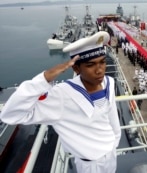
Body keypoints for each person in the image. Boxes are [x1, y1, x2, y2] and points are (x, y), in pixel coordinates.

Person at [0, 31, 121, 173]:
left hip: (111, 154)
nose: (99, 70)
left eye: (102, 62)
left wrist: (114, 142)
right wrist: (44, 78)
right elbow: (10, 115)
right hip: (90, 165)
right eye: (90, 65)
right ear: (76, 68)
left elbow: (112, 117)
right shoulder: (62, 95)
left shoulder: (109, 82)